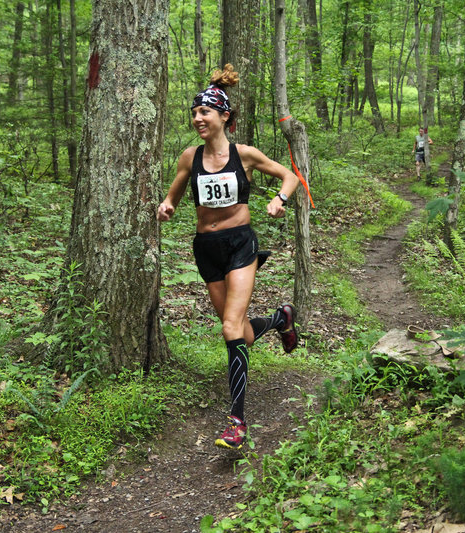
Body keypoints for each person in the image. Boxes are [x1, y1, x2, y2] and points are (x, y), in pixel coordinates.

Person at [157, 64, 301, 450]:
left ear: (224, 116)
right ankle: (280, 319)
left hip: (241, 244)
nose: (197, 118)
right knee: (239, 331)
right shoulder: (190, 157)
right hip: (206, 249)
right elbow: (172, 195)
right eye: (194, 113)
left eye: (204, 112)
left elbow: (290, 176)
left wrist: (279, 199)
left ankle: (236, 421)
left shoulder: (246, 154)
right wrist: (167, 206)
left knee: (229, 329)